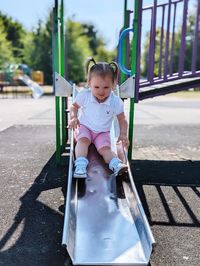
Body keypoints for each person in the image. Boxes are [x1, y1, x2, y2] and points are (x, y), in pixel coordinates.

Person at [68, 57, 129, 178]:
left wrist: (123, 134)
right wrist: (74, 117)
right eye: (96, 87)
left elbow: (122, 119)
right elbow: (74, 107)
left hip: (102, 132)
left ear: (113, 85)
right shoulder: (84, 95)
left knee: (105, 149)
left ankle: (115, 164)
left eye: (106, 87)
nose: (101, 91)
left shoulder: (115, 101)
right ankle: (80, 166)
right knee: (83, 141)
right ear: (89, 83)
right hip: (85, 127)